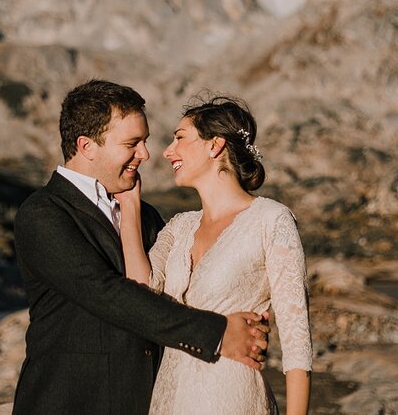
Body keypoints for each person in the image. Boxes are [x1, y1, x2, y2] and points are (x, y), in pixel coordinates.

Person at [12, 80, 269, 415]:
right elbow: (106, 293)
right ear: (86, 146)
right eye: (132, 143)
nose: (145, 154)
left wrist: (251, 312)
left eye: (145, 141)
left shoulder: (146, 214)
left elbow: (176, 287)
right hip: (72, 402)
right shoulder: (43, 214)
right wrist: (219, 333)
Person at [119, 96, 312, 415]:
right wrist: (129, 206)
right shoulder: (179, 227)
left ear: (215, 145)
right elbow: (140, 291)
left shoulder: (270, 220)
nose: (167, 151)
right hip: (170, 400)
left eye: (179, 137)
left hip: (232, 399)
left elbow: (297, 344)